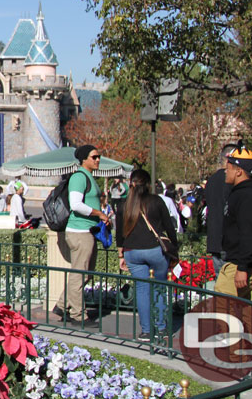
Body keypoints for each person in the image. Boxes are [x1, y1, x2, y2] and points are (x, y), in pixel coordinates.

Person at [53, 145, 110, 326]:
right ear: (84, 159)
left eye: (99, 156)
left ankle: (62, 306)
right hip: (79, 232)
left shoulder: (89, 177)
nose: (98, 160)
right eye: (94, 157)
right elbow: (76, 204)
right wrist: (99, 213)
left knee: (86, 274)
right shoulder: (79, 177)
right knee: (80, 274)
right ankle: (78, 315)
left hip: (88, 231)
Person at [117, 169, 178, 339]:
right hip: (154, 250)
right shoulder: (156, 201)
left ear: (131, 183)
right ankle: (161, 327)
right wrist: (175, 248)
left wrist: (121, 255)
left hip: (132, 251)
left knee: (142, 290)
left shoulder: (124, 205)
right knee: (159, 288)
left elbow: (119, 233)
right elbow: (169, 227)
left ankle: (145, 330)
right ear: (149, 184)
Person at [216, 144, 252, 302]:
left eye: (229, 167)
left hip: (240, 264)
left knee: (220, 308)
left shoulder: (248, 197)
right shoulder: (243, 193)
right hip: (244, 262)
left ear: (238, 171)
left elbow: (248, 233)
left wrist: (242, 267)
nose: (225, 170)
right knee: (249, 316)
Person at [205, 143, 238, 275]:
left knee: (221, 285)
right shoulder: (231, 181)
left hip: (214, 239)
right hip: (228, 241)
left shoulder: (211, 181)